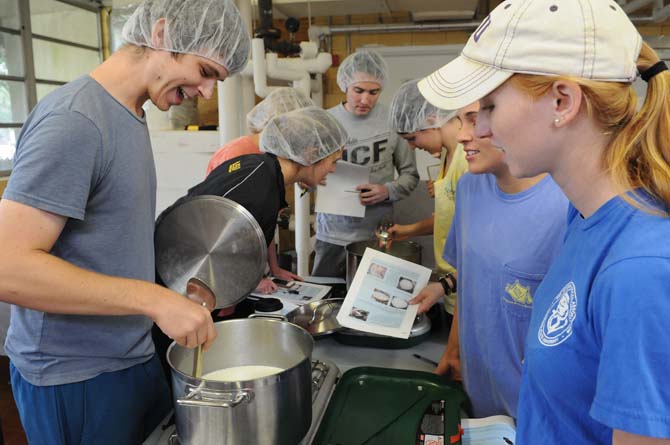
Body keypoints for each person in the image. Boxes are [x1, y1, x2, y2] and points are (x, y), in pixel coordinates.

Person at [418, 0, 670, 443]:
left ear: (562, 101)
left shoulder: (638, 269)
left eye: (491, 106)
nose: (480, 132)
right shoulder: (585, 217)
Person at [0, 1, 250, 443]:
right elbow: (8, 267)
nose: (208, 93)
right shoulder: (76, 120)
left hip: (128, 358)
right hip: (76, 376)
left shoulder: (130, 115)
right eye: (206, 71)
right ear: (161, 34)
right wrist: (154, 300)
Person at [410, 101, 568, 419]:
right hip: (479, 391)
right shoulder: (470, 187)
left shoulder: (566, 205)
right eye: (460, 122)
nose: (463, 136)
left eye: (475, 120)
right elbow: (469, 277)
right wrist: (454, 351)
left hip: (535, 409)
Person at [312, 49, 419, 277]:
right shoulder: (325, 122)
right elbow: (306, 173)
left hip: (377, 233)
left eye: (374, 92)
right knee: (327, 296)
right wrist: (312, 181)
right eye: (358, 91)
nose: (365, 100)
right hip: (332, 233)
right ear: (345, 85)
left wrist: (387, 190)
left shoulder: (392, 120)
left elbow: (411, 175)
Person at [205, 87, 315, 294]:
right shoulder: (238, 155)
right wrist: (249, 278)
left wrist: (274, 269)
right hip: (224, 274)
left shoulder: (270, 159)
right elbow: (225, 231)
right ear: (278, 125)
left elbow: (263, 223)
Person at [385, 78, 467, 328]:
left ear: (431, 120)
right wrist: (407, 231)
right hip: (451, 283)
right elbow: (449, 220)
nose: (411, 146)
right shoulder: (446, 155)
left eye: (411, 138)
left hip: (462, 284)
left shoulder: (466, 160)